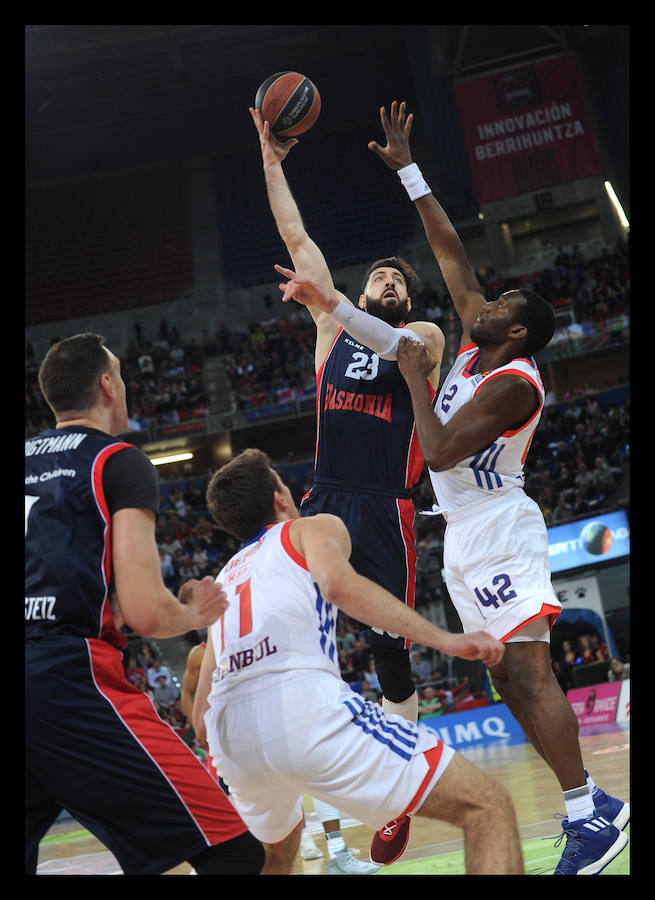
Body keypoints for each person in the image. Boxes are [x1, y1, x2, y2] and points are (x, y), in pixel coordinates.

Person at [364, 100, 629, 875]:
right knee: (503, 675)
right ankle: (594, 806)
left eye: (502, 305)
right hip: (462, 533)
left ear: (515, 331)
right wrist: (409, 169)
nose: (487, 301)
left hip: (499, 525)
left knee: (527, 671)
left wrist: (414, 374)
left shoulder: (515, 381)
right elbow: (448, 251)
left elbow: (441, 445)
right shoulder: (481, 347)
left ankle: (589, 812)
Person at [250, 103, 446, 862]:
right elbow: (297, 239)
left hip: (387, 510)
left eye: (397, 277)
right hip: (326, 498)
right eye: (378, 278)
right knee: (303, 643)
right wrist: (271, 161)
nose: (388, 280)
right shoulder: (330, 330)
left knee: (389, 652)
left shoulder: (422, 337)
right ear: (362, 296)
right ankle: (314, 818)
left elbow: (402, 348)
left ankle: (403, 791)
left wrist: (333, 300)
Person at [193, 448, 524, 875]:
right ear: (279, 497)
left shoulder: (225, 578)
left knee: (274, 856)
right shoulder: (309, 528)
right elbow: (336, 584)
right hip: (302, 708)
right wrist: (445, 639)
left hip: (232, 740)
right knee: (488, 807)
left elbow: (201, 718)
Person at [25, 333, 264, 875]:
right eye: (122, 376)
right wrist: (193, 613)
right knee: (235, 855)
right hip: (69, 680)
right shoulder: (116, 460)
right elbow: (145, 613)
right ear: (108, 385)